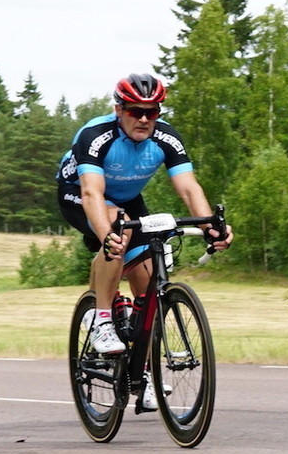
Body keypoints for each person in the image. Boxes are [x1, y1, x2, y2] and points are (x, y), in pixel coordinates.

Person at [55, 73, 230, 367]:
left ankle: (143, 373)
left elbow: (189, 188)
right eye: (136, 111)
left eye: (152, 112)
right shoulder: (95, 135)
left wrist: (211, 227)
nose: (145, 119)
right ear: (119, 110)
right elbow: (91, 192)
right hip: (79, 195)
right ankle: (101, 320)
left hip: (128, 200)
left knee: (148, 287)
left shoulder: (166, 137)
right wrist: (107, 235)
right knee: (118, 230)